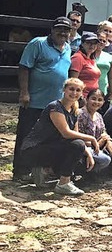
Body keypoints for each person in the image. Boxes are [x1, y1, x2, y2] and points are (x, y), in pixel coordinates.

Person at [13, 17, 73, 182]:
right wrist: (24, 92)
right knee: (26, 136)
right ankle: (20, 171)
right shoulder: (38, 43)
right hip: (35, 100)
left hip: (55, 105)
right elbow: (24, 67)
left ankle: (40, 170)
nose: (62, 32)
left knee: (48, 138)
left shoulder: (68, 48)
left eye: (66, 30)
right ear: (52, 30)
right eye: (59, 29)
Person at [20, 78, 99, 195]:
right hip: (34, 148)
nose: (74, 93)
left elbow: (75, 135)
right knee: (78, 146)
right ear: (64, 90)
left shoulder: (75, 110)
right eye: (71, 89)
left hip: (53, 146)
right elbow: (66, 133)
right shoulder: (55, 107)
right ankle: (63, 183)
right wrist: (91, 138)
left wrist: (88, 153)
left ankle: (44, 171)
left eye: (78, 90)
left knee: (82, 158)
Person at [77, 89, 112, 176]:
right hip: (85, 147)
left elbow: (103, 131)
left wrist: (108, 140)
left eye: (100, 100)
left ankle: (100, 170)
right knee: (105, 159)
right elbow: (79, 138)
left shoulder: (98, 115)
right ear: (87, 99)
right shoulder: (81, 114)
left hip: (98, 144)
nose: (96, 102)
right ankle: (86, 173)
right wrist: (97, 144)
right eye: (93, 99)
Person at [69, 33, 101, 98]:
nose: (92, 45)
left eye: (95, 43)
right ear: (82, 43)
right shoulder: (78, 57)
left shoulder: (91, 59)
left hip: (92, 97)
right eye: (89, 42)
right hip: (81, 97)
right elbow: (73, 81)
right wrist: (80, 97)